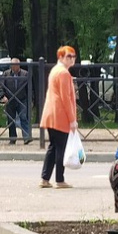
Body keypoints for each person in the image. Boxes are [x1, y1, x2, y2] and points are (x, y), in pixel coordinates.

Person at [39, 45, 78, 189]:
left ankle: (45, 178)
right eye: (68, 56)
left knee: (53, 147)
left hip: (51, 114)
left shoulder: (55, 70)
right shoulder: (63, 73)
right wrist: (72, 119)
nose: (72, 59)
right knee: (61, 147)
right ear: (60, 57)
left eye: (73, 56)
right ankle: (59, 180)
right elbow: (65, 98)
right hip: (59, 115)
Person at [0, 58, 33, 145]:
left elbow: (29, 88)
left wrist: (31, 99)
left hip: (22, 99)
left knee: (23, 117)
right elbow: (1, 87)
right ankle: (12, 138)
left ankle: (26, 137)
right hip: (10, 100)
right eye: (12, 65)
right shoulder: (6, 74)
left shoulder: (25, 74)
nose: (14, 67)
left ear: (19, 65)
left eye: (16, 65)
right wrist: (3, 96)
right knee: (11, 120)